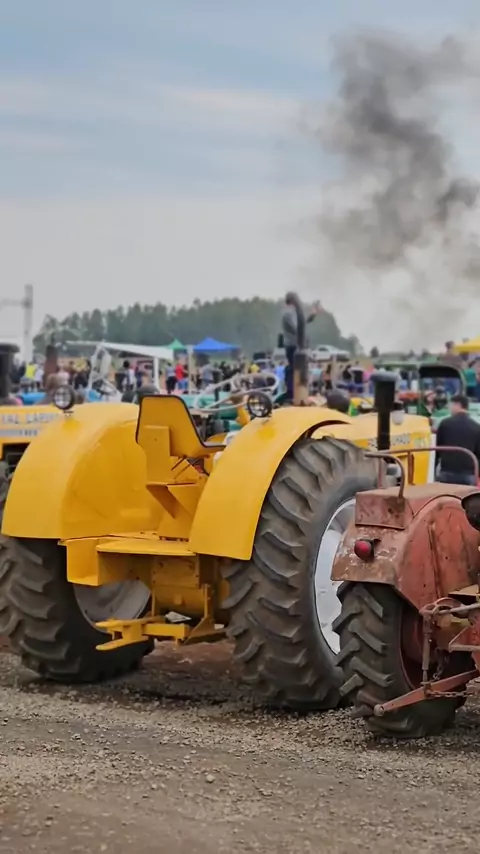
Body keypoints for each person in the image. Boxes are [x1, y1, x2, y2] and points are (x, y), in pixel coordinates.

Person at [281, 294, 321, 401]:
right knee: (294, 369)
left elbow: (302, 322)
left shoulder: (293, 313)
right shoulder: (288, 314)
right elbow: (297, 328)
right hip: (292, 345)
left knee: (299, 369)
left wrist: (312, 315)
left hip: (297, 345)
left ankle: (299, 392)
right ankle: (292, 393)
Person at [435, 393, 480, 485]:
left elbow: (437, 448)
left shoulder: (445, 424)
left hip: (447, 470)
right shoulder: (476, 427)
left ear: (457, 405)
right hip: (469, 473)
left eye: (451, 405)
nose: (449, 408)